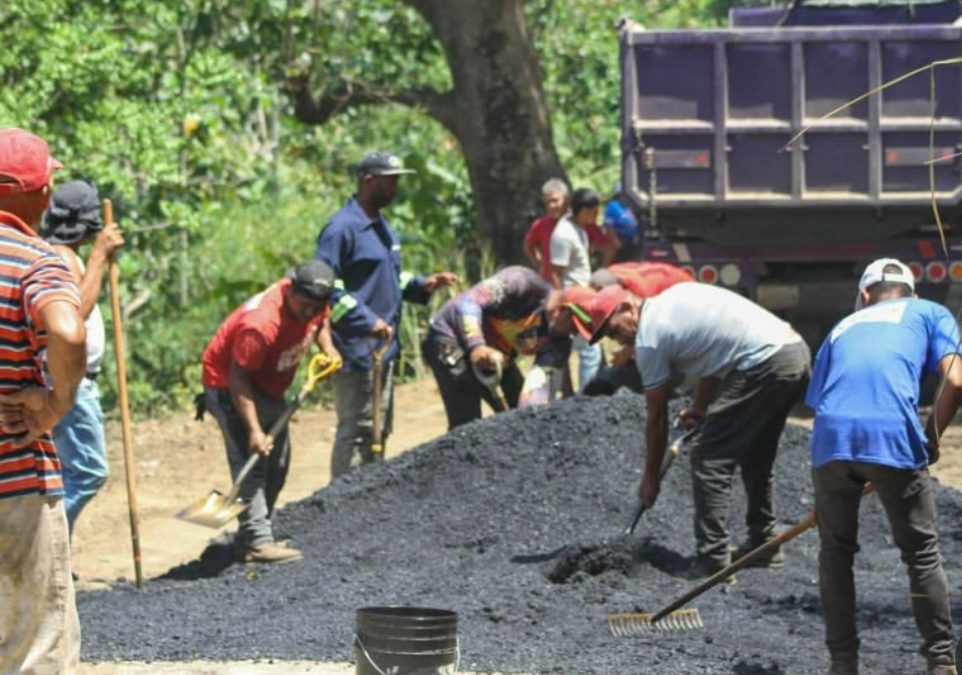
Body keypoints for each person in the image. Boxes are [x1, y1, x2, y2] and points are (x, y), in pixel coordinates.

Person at [589, 280, 810, 579]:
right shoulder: (675, 298)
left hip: (765, 362)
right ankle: (764, 542)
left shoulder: (649, 339)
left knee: (708, 456)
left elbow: (656, 418)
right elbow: (715, 355)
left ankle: (713, 559)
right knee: (756, 452)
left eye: (614, 331)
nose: (617, 341)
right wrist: (700, 407)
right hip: (793, 354)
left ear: (627, 307)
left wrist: (650, 479)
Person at [805, 259, 962, 675]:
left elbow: (825, 402)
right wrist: (931, 438)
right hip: (891, 434)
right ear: (912, 293)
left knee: (835, 553)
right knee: (921, 554)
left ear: (864, 295)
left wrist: (830, 491)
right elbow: (956, 380)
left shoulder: (842, 327)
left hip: (831, 441)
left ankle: (843, 663)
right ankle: (940, 661)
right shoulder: (930, 312)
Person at [0, 128, 86, 674]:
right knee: (35, 649)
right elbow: (67, 331)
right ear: (41, 193)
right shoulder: (35, 260)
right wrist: (58, 402)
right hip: (14, 481)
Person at [315, 151, 458, 478]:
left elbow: (388, 279)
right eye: (390, 181)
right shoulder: (341, 229)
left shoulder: (383, 228)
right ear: (368, 181)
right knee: (357, 432)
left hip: (384, 351)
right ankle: (342, 499)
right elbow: (325, 287)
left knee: (379, 431)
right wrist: (367, 322)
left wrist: (421, 284)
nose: (395, 188)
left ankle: (370, 495)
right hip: (356, 350)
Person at [201, 260, 339, 564]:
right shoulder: (261, 325)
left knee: (278, 463)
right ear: (290, 291)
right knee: (251, 460)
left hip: (268, 384)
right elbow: (238, 379)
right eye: (304, 305)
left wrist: (327, 348)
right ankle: (258, 541)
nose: (309, 312)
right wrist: (253, 430)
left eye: (316, 306)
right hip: (229, 385)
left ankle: (248, 538)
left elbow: (321, 322)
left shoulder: (315, 302)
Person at [41, 180, 124, 536]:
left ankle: (54, 551)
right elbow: (75, 311)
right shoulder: (61, 256)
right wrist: (99, 255)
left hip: (74, 380)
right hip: (72, 382)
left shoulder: (64, 254)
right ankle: (48, 539)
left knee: (66, 472)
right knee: (89, 471)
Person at [421, 266, 577, 429]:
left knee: (522, 412)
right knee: (467, 422)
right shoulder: (521, 282)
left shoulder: (560, 340)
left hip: (496, 353)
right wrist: (477, 345)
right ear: (564, 311)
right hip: (451, 335)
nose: (574, 334)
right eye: (574, 326)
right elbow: (467, 302)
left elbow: (539, 391)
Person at [579, 261, 695, 396]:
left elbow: (648, 331)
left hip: (686, 303)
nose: (618, 340)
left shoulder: (643, 295)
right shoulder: (612, 273)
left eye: (614, 332)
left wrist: (626, 352)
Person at [549, 187, 614, 392]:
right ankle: (585, 397)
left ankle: (587, 393)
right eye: (593, 212)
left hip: (583, 296)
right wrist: (561, 304)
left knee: (591, 349)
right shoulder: (563, 235)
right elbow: (555, 273)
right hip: (573, 300)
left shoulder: (579, 228)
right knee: (590, 349)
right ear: (584, 210)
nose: (596, 216)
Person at [523, 178, 616, 282]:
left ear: (566, 199)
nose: (551, 206)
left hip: (575, 284)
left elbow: (608, 250)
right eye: (547, 202)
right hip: (548, 283)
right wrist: (539, 264)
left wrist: (598, 277)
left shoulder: (583, 222)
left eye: (555, 200)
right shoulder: (540, 225)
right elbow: (528, 245)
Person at [603, 183, 642, 262]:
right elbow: (610, 228)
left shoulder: (631, 205)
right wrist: (618, 245)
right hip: (620, 240)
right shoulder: (613, 206)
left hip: (632, 241)